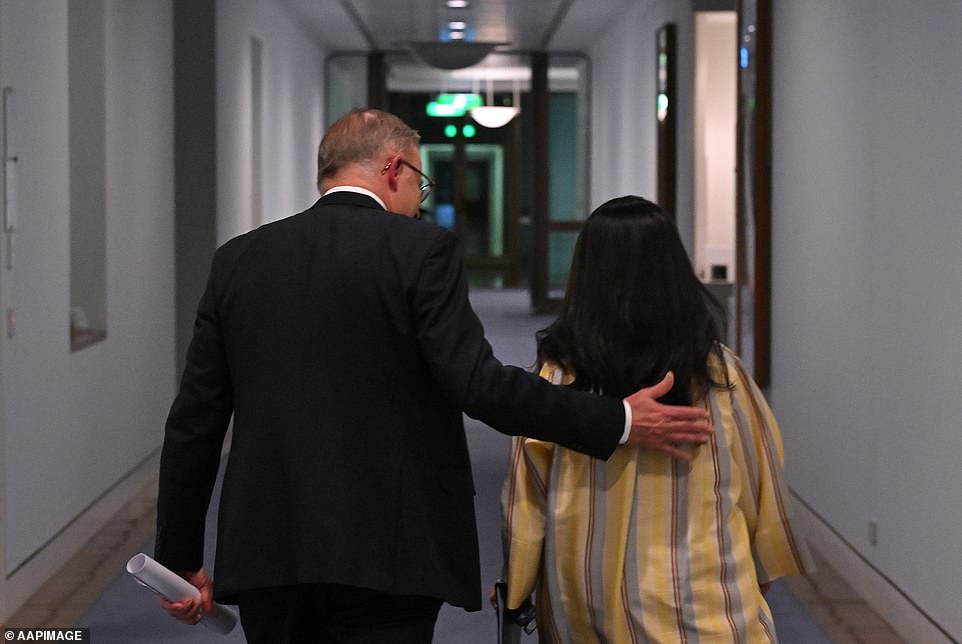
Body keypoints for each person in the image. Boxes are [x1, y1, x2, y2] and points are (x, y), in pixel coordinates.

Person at [153, 110, 713, 643]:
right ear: (394, 168)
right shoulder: (421, 251)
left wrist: (179, 557)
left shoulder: (238, 260)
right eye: (420, 186)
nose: (419, 206)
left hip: (269, 552)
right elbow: (478, 384)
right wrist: (616, 418)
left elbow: (193, 423)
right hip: (391, 547)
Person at [501, 196, 814, 643]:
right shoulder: (719, 376)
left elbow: (525, 499)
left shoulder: (560, 380)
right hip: (701, 606)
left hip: (587, 607)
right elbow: (759, 487)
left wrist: (517, 585)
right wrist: (755, 574)